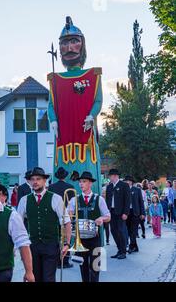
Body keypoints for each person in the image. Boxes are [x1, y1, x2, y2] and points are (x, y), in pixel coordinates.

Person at [47, 16, 103, 197]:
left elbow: (98, 100)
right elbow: (51, 104)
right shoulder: (55, 79)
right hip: (63, 136)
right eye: (64, 43)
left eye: (74, 41)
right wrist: (53, 120)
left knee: (86, 165)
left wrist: (91, 115)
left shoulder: (93, 75)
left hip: (85, 134)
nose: (69, 48)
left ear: (82, 44)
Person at [16, 167, 71, 282]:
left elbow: (66, 222)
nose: (35, 182)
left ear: (44, 181)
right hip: (33, 246)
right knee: (35, 278)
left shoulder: (56, 198)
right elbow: (18, 224)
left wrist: (67, 243)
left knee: (48, 278)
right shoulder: (24, 200)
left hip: (51, 245)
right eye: (32, 179)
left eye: (38, 179)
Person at [67, 171, 110, 282]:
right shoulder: (74, 200)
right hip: (80, 239)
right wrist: (69, 215)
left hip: (95, 238)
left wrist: (102, 218)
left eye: (84, 182)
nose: (81, 184)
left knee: (96, 266)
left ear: (90, 184)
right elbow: (67, 216)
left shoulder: (99, 199)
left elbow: (108, 216)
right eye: (80, 182)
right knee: (83, 266)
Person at [48, 166, 75, 269]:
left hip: (54, 216)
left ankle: (56, 261)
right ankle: (65, 260)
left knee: (56, 238)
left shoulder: (51, 187)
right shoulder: (70, 186)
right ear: (65, 176)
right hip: (66, 215)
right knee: (66, 238)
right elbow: (73, 203)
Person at [105, 169, 130, 260]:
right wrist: (106, 212)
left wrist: (125, 213)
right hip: (111, 212)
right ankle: (119, 249)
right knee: (113, 231)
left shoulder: (124, 185)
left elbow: (127, 200)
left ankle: (123, 251)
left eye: (110, 176)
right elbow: (107, 200)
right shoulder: (109, 186)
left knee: (121, 231)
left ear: (115, 176)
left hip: (121, 213)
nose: (109, 177)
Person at [124, 176, 145, 254]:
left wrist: (143, 213)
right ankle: (135, 247)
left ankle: (131, 246)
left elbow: (141, 202)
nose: (127, 182)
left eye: (129, 181)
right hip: (127, 212)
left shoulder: (137, 190)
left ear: (132, 182)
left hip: (135, 212)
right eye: (126, 181)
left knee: (133, 230)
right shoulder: (123, 190)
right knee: (129, 230)